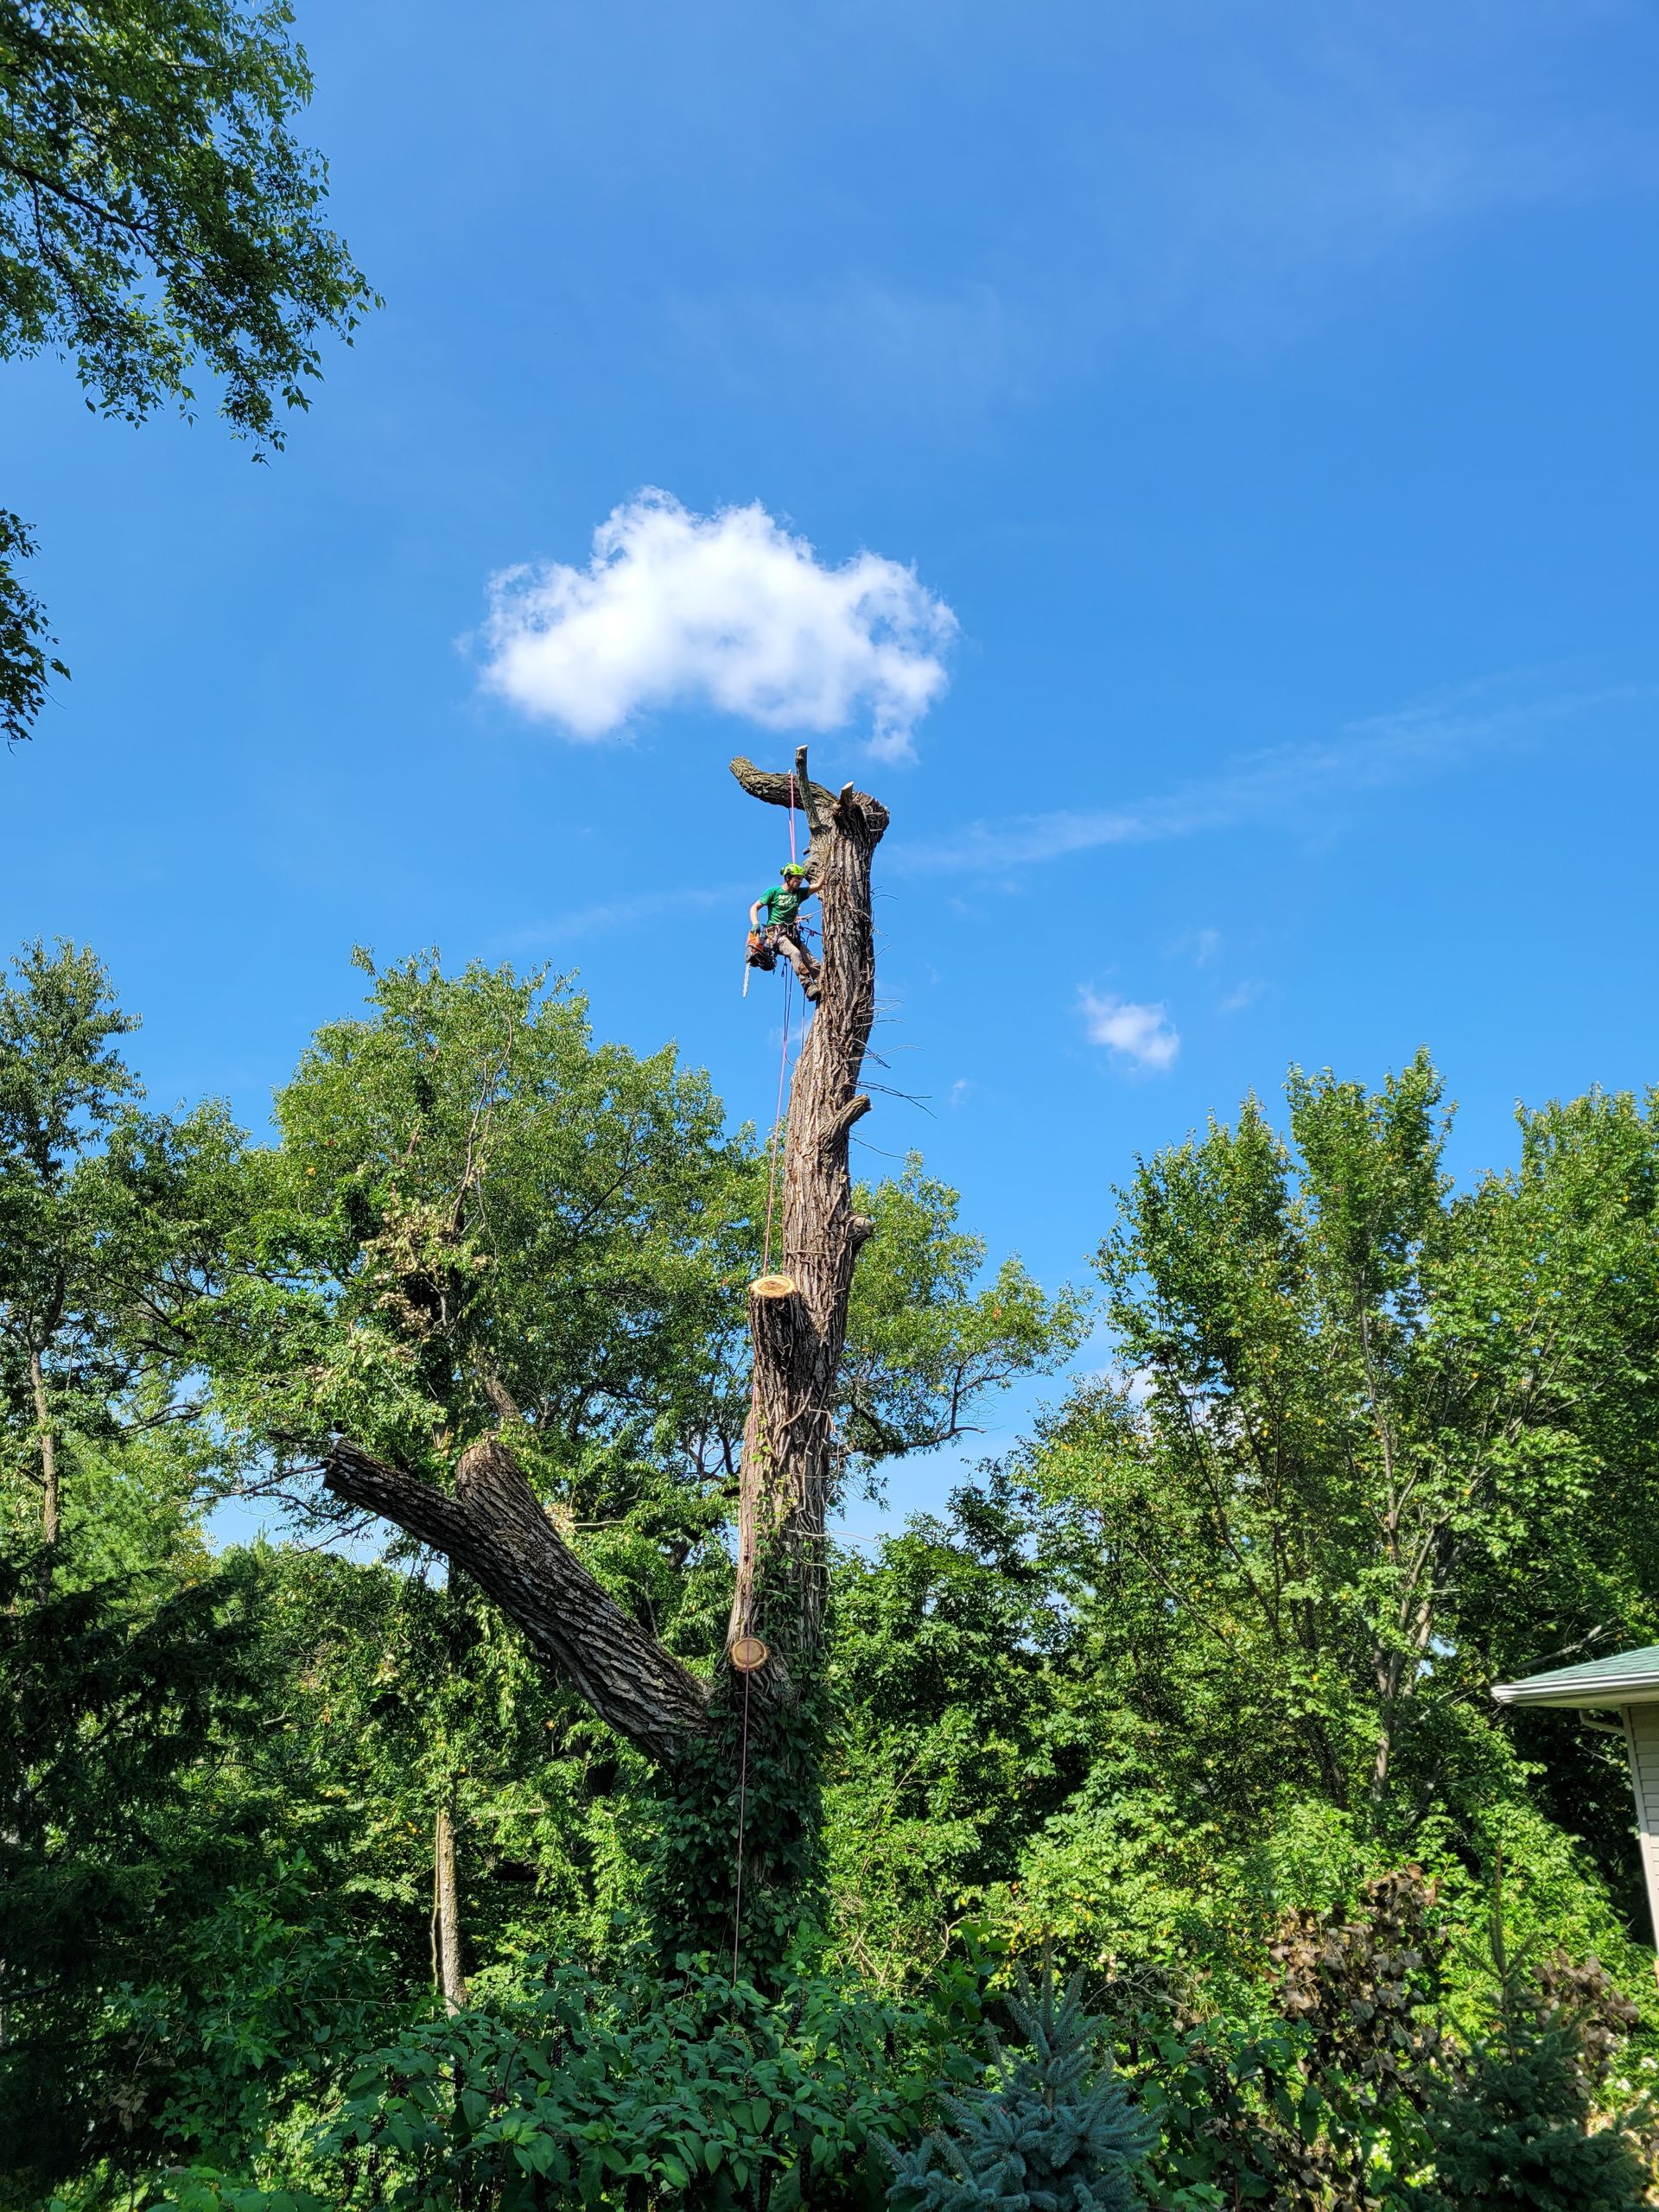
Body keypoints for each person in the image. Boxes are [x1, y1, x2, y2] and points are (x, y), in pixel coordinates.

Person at [747, 861, 821, 999]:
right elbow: (754, 907)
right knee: (795, 953)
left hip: (792, 934)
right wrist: (755, 923)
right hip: (775, 934)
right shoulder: (774, 892)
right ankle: (808, 985)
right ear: (788, 878)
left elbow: (818, 886)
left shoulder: (799, 894)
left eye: (801, 879)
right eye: (797, 878)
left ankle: (824, 982)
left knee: (813, 963)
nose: (800, 881)